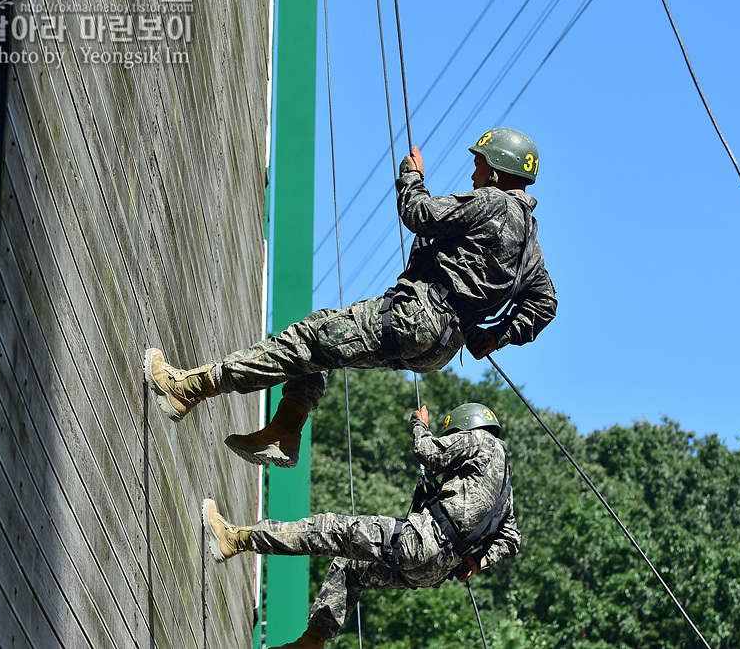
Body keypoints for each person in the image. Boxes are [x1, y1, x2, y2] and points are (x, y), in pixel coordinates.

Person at [145, 127, 557, 467]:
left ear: (499, 172)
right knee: (326, 345)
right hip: (439, 348)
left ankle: (191, 387)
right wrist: (496, 337)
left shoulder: (493, 202)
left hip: (417, 315)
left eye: (479, 164)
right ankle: (286, 428)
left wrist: (411, 176)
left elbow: (420, 215)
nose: (473, 174)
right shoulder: (530, 246)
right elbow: (545, 304)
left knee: (309, 338)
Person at [201, 402, 519, 649]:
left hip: (421, 539)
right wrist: (478, 562)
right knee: (351, 566)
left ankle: (236, 539)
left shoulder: (480, 441)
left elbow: (428, 452)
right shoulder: (506, 492)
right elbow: (510, 540)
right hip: (432, 571)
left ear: (466, 427)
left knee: (329, 530)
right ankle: (313, 640)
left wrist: (419, 425)